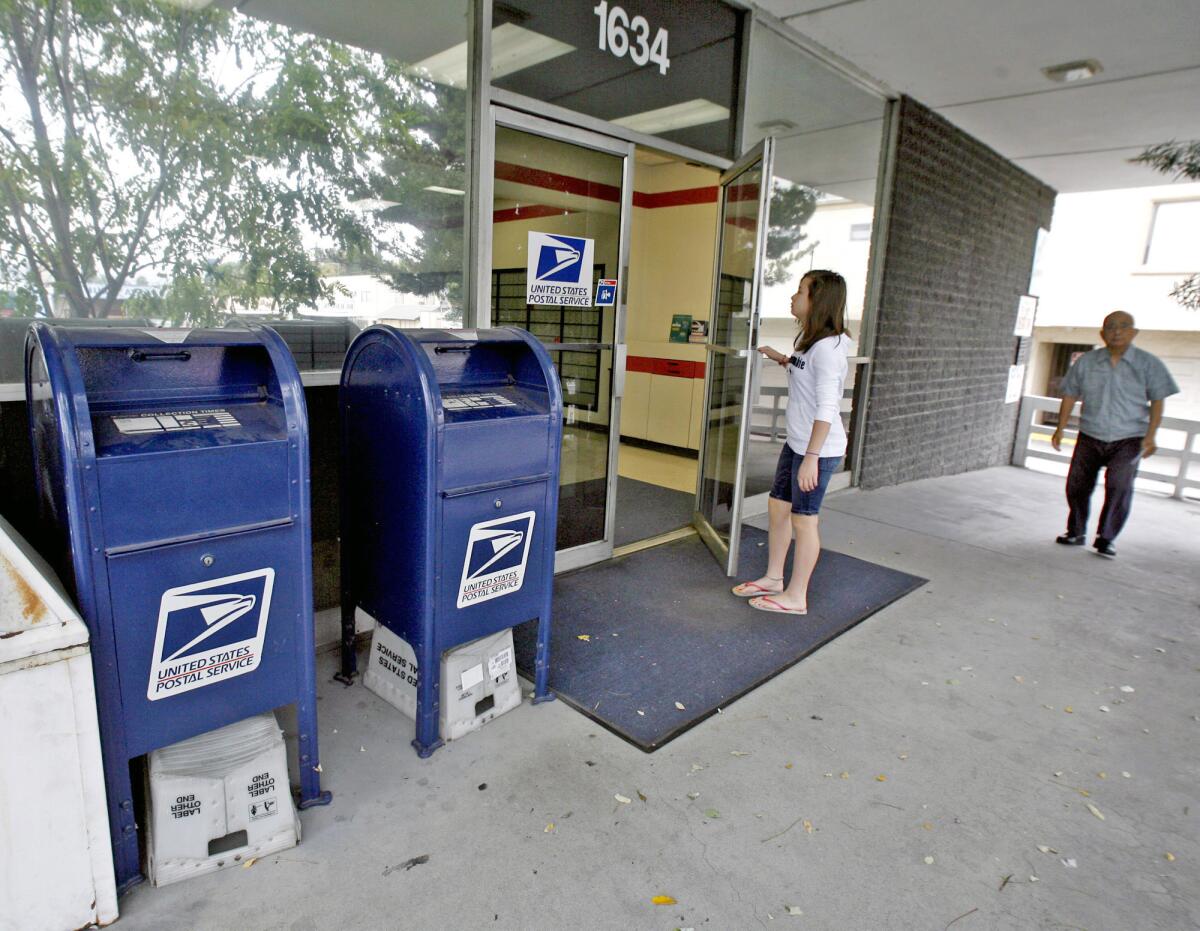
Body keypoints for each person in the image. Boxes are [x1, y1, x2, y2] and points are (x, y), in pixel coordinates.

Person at [731, 269, 851, 615]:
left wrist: (812, 457)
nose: (793, 297)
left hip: (818, 449)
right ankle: (773, 578)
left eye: (800, 292)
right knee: (778, 507)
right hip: (797, 443)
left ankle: (797, 597)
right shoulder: (809, 342)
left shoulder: (828, 349)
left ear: (818, 301)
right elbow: (805, 372)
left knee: (804, 519)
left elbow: (828, 405)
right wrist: (781, 358)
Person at [1051, 310, 1179, 557]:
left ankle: (1106, 538)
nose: (1116, 331)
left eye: (1122, 326)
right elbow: (1070, 394)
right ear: (1102, 333)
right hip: (1090, 433)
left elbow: (1158, 400)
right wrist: (1060, 427)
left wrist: (1151, 435)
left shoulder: (1148, 364)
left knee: (1120, 486)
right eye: (1110, 327)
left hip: (1129, 437)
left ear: (1133, 332)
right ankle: (1075, 531)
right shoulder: (1087, 362)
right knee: (1077, 485)